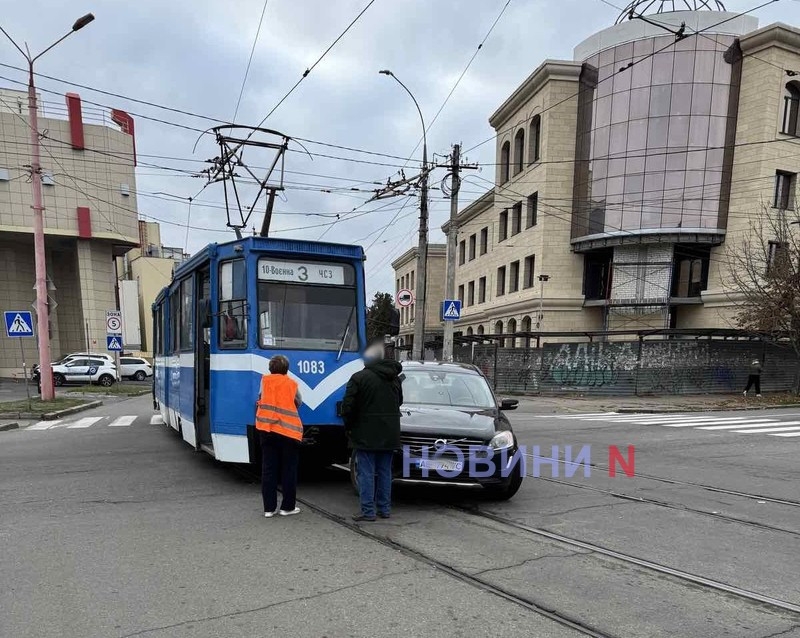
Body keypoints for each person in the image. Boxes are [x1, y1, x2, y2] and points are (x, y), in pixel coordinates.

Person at [341, 343, 403, 522]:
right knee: (385, 471)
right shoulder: (395, 379)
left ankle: (368, 511)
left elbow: (347, 407)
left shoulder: (359, 378)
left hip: (365, 432)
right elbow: (399, 402)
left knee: (366, 472)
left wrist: (350, 426)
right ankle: (384, 509)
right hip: (390, 432)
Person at [255, 355, 303, 517]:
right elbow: (298, 402)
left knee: (268, 469)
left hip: (267, 430)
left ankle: (269, 509)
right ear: (286, 369)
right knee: (288, 469)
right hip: (288, 432)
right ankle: (287, 507)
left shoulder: (265, 381)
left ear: (270, 368)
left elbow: (260, 398)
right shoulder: (292, 384)